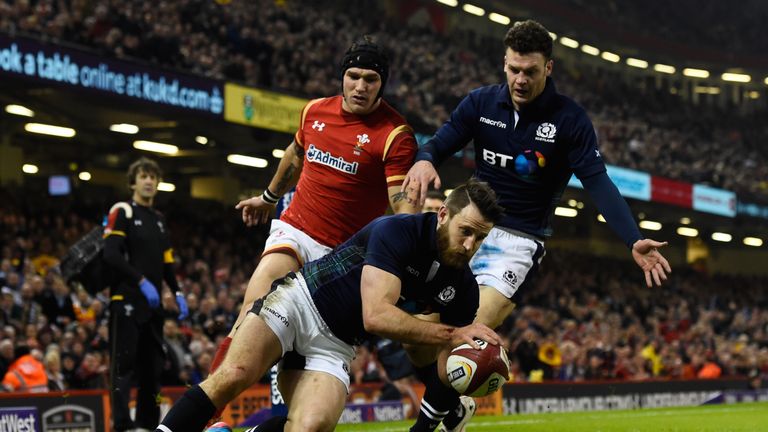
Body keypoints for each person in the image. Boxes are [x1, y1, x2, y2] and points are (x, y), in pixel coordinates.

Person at [401, 20, 672, 432]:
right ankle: (453, 408)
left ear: (549, 67)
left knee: (471, 333)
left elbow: (597, 182)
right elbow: (442, 139)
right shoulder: (479, 104)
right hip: (468, 228)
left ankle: (424, 428)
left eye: (529, 71)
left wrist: (633, 238)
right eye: (513, 70)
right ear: (504, 64)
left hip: (519, 241)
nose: (520, 80)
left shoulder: (570, 121)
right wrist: (424, 158)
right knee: (416, 340)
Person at [154, 179, 504, 432]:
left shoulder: (464, 289)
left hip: (336, 344)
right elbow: (376, 315)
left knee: (313, 426)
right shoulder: (398, 231)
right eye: (466, 231)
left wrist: (466, 362)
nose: (471, 244)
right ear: (443, 214)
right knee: (234, 375)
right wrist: (453, 333)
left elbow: (444, 361)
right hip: (298, 301)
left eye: (481, 237)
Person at [207, 36, 419, 419]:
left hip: (341, 259)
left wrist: (409, 239)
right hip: (296, 231)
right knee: (251, 310)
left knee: (301, 381)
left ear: (382, 82)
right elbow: (295, 154)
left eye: (370, 79)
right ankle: (209, 419)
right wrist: (268, 198)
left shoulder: (394, 134)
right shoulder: (314, 112)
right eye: (353, 76)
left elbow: (400, 204)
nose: (360, 86)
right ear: (342, 76)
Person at [102, 157, 189, 432]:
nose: (149, 181)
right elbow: (110, 254)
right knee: (123, 367)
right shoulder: (123, 211)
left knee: (152, 371)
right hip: (125, 300)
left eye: (153, 177)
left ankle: (149, 425)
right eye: (143, 176)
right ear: (133, 182)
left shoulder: (160, 221)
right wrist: (140, 281)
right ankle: (123, 425)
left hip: (152, 308)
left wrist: (178, 292)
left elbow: (167, 265)